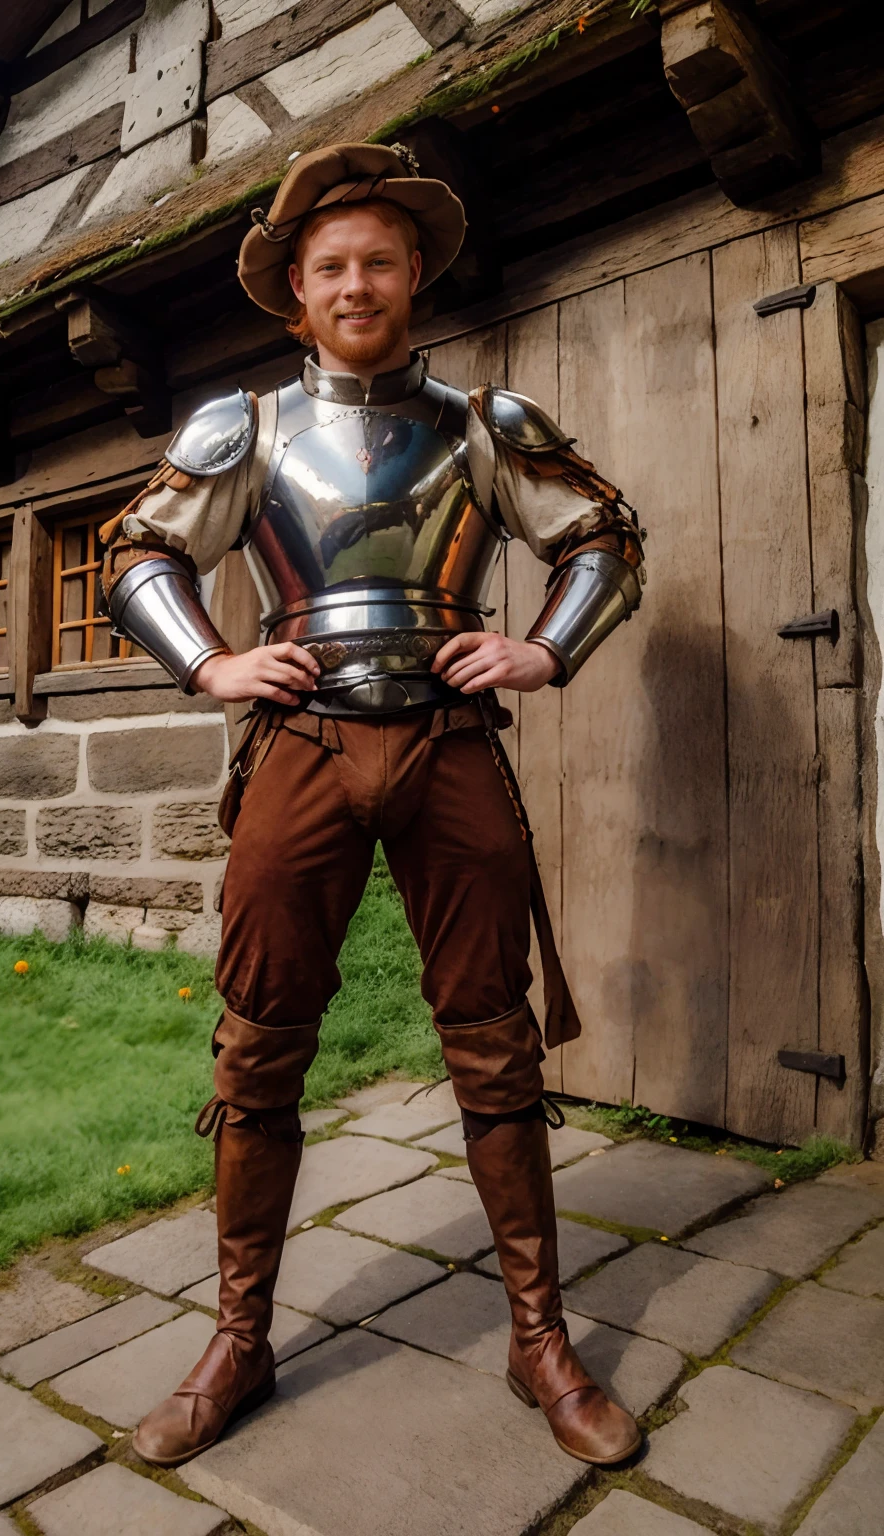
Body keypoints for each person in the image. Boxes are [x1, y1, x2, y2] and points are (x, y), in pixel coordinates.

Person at [100, 142, 645, 1471]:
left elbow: (604, 537)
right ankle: (239, 1336)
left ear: (414, 278)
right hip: (298, 743)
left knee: (494, 1035)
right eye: (332, 266)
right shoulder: (248, 427)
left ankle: (539, 1340)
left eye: (379, 262)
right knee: (258, 1040)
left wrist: (544, 648)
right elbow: (139, 553)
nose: (357, 283)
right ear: (298, 289)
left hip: (454, 738)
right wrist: (215, 662)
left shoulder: (482, 423)